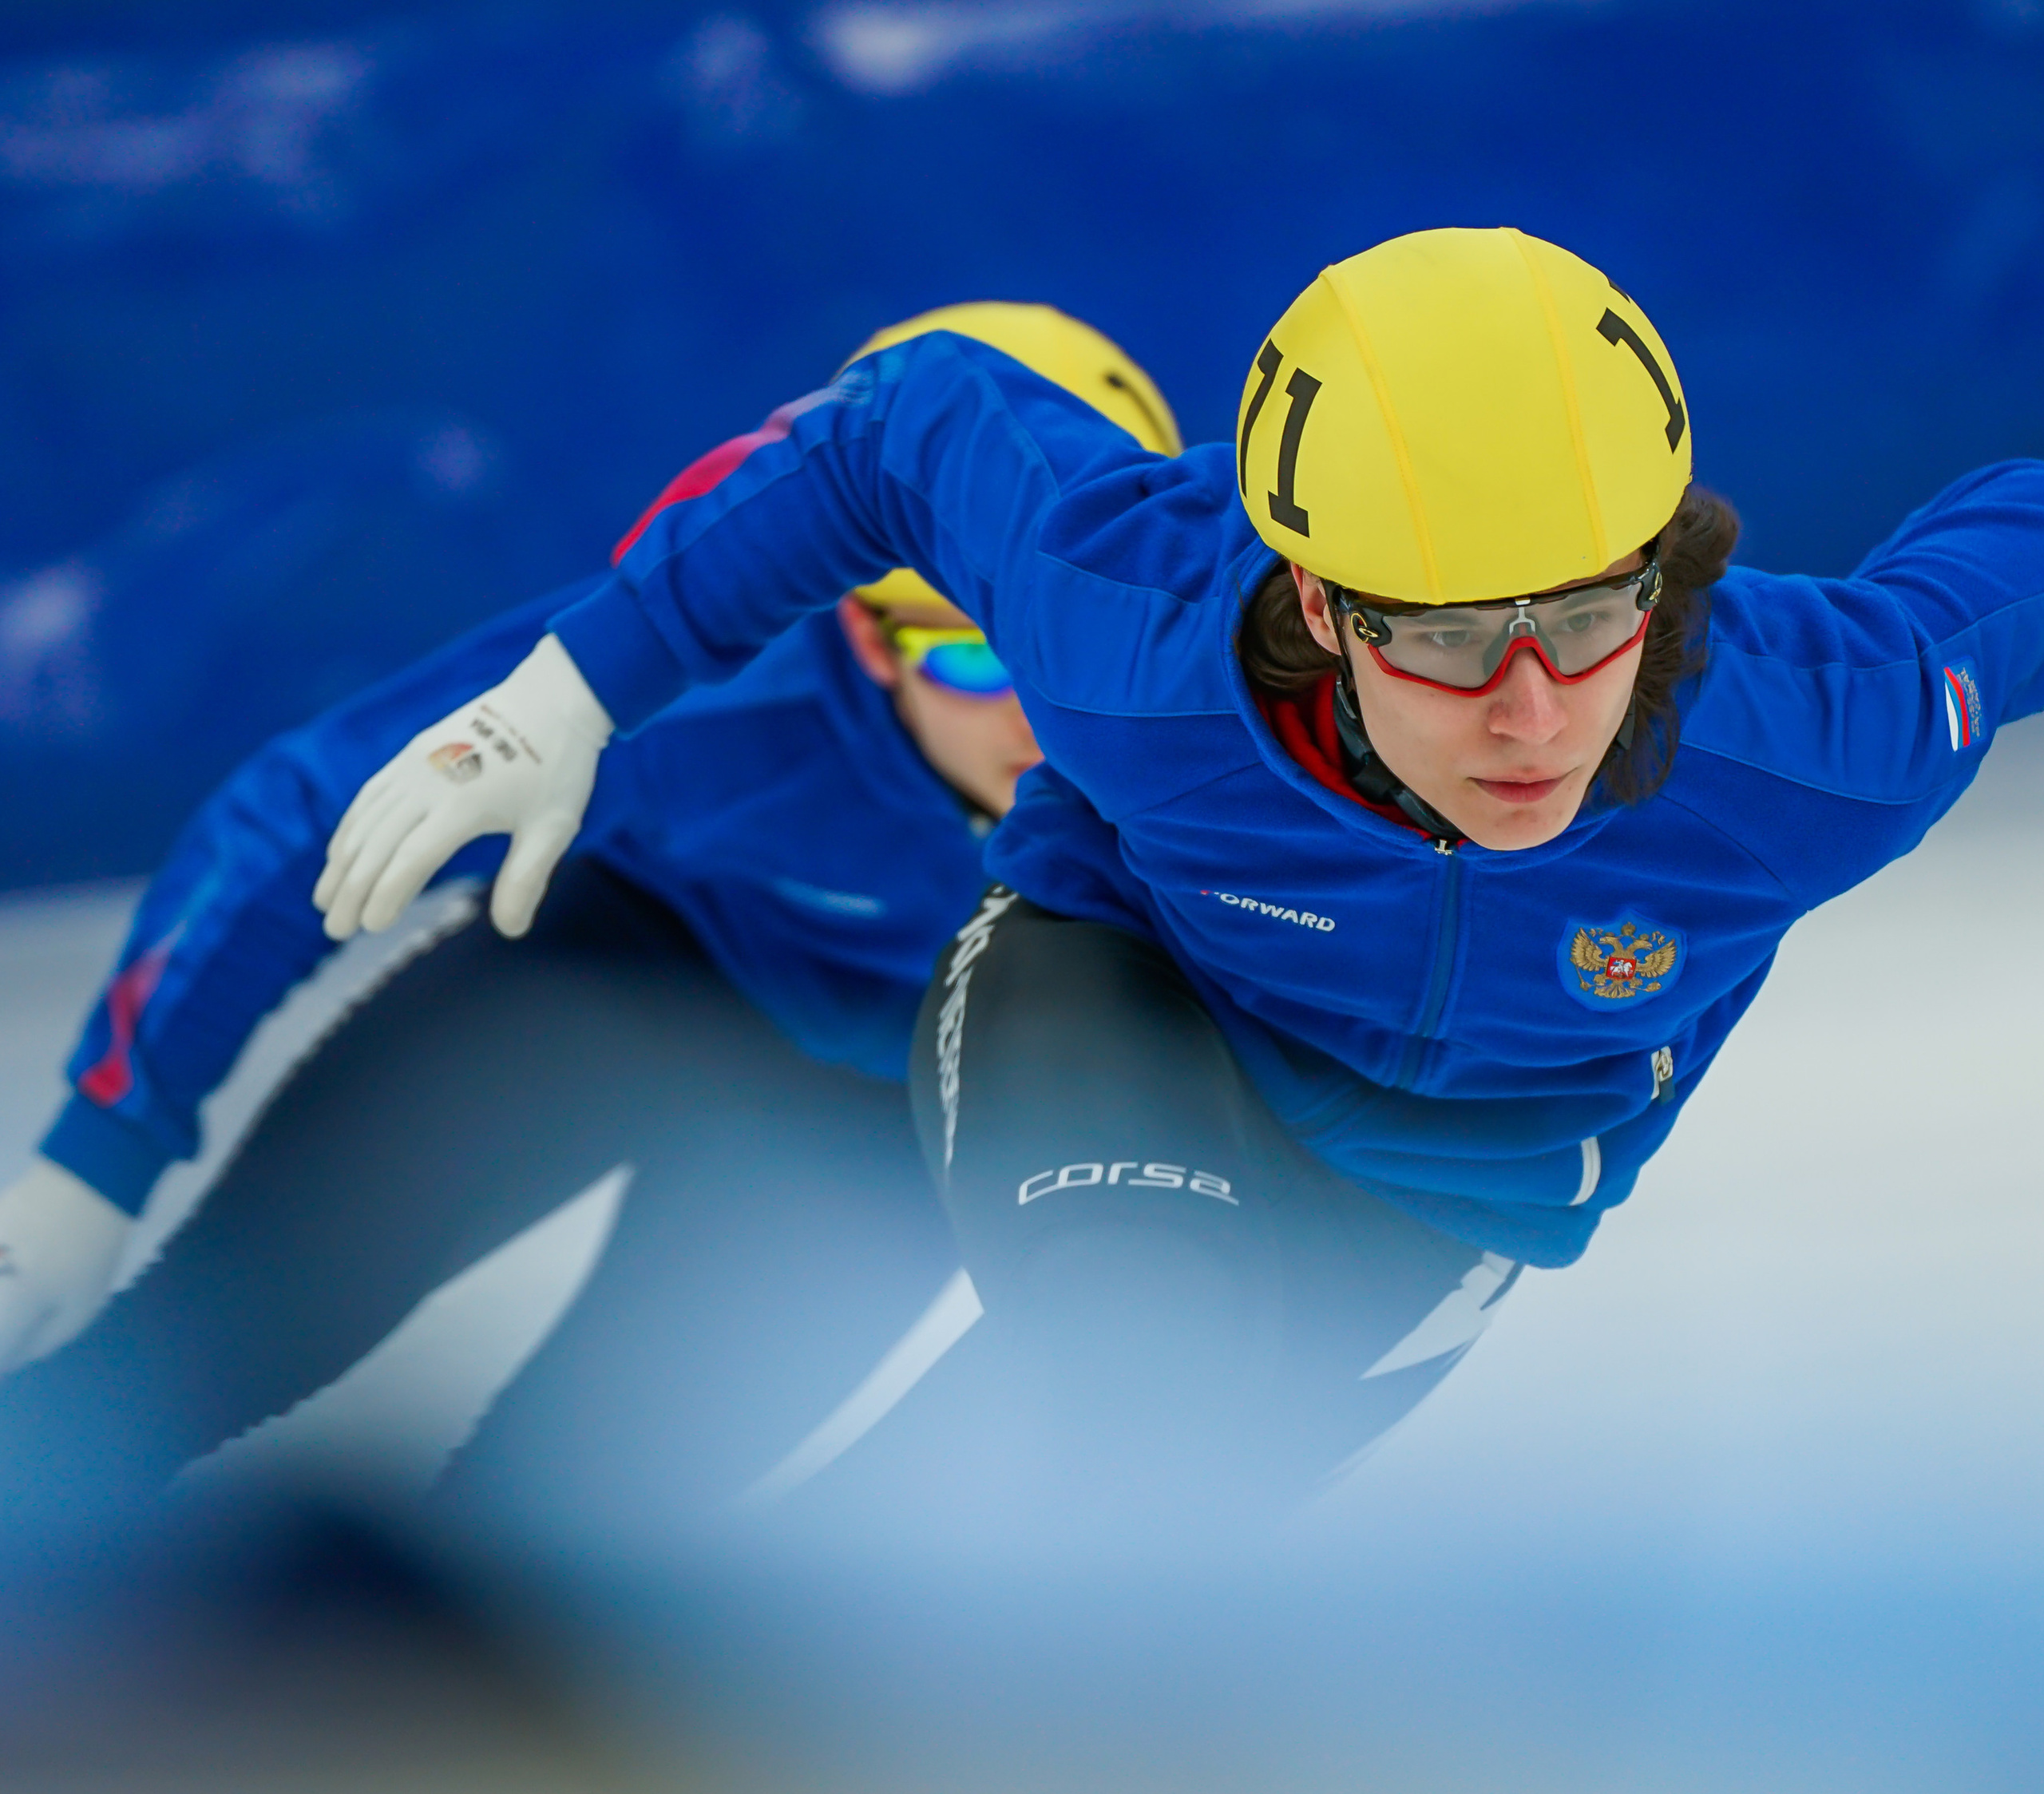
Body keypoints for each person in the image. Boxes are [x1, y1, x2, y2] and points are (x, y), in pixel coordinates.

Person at [294, 225, 2044, 1535]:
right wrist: (574, 688)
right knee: (1129, 1382)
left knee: (1031, 1580)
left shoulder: (1822, 729)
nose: (1530, 714)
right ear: (1323, 603)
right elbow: (895, 427)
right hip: (1126, 992)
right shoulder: (1131, 615)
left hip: (1435, 1193)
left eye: (1589, 617)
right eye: (1446, 638)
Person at [0, 303, 1183, 1539]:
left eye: (1062, 649)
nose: (1039, 713)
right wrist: (99, 1154)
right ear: (866, 638)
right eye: (973, 662)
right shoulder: (720, 695)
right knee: (181, 1372)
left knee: (558, 1551)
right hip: (632, 958)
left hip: (897, 1102)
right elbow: (301, 813)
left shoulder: (1208, 741)